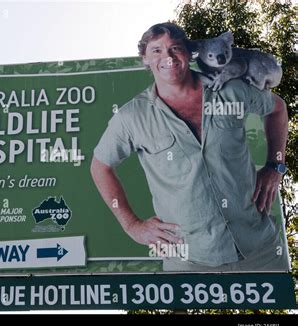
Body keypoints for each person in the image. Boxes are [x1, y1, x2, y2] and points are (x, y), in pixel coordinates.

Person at [90, 22, 289, 271]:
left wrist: (275, 165)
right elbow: (100, 166)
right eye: (157, 51)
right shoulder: (131, 117)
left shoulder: (231, 90)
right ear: (145, 59)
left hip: (260, 249)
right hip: (187, 260)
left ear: (189, 52)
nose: (168, 58)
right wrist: (132, 225)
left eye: (175, 48)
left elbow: (277, 109)